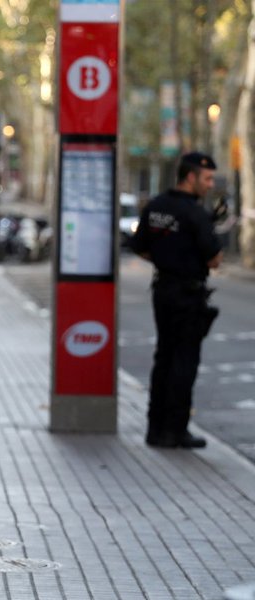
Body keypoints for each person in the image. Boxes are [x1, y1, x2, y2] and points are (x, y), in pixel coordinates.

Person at [131, 151, 223, 450]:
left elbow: (141, 247)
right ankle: (176, 429)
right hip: (188, 294)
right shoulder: (195, 213)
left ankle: (155, 428)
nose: (210, 185)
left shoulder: (156, 206)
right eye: (207, 178)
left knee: (164, 358)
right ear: (191, 176)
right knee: (184, 362)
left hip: (163, 290)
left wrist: (166, 259)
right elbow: (214, 260)